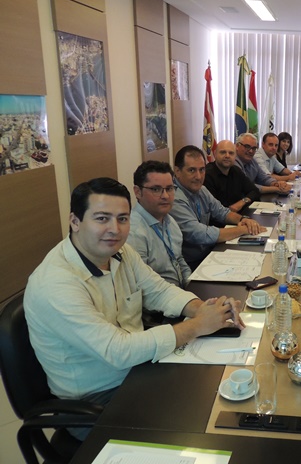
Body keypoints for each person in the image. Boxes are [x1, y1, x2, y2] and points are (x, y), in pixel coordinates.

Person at [23, 177, 245, 438]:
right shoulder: (56, 284)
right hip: (96, 401)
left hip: (138, 370)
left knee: (217, 396)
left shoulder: (120, 252)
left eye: (122, 219)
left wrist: (202, 309)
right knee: (198, 426)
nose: (114, 229)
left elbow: (159, 290)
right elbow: (117, 351)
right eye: (102, 218)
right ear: (75, 221)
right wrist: (196, 326)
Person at [170, 145, 265, 269]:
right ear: (177, 171)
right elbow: (200, 234)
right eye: (192, 170)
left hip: (207, 254)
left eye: (202, 170)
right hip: (189, 264)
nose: (198, 176)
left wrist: (243, 220)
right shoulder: (174, 198)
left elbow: (222, 212)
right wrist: (243, 229)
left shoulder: (201, 190)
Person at [127, 161, 191, 288]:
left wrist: (192, 286)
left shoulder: (169, 220)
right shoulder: (134, 232)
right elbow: (142, 285)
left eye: (169, 188)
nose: (165, 196)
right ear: (138, 192)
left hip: (180, 292)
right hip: (159, 298)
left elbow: (179, 260)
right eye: (156, 189)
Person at [204, 140, 260, 212]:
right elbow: (213, 209)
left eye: (231, 153)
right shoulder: (207, 174)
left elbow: (255, 191)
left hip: (236, 215)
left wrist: (242, 202)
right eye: (223, 152)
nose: (227, 156)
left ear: (235, 156)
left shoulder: (236, 171)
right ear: (215, 154)